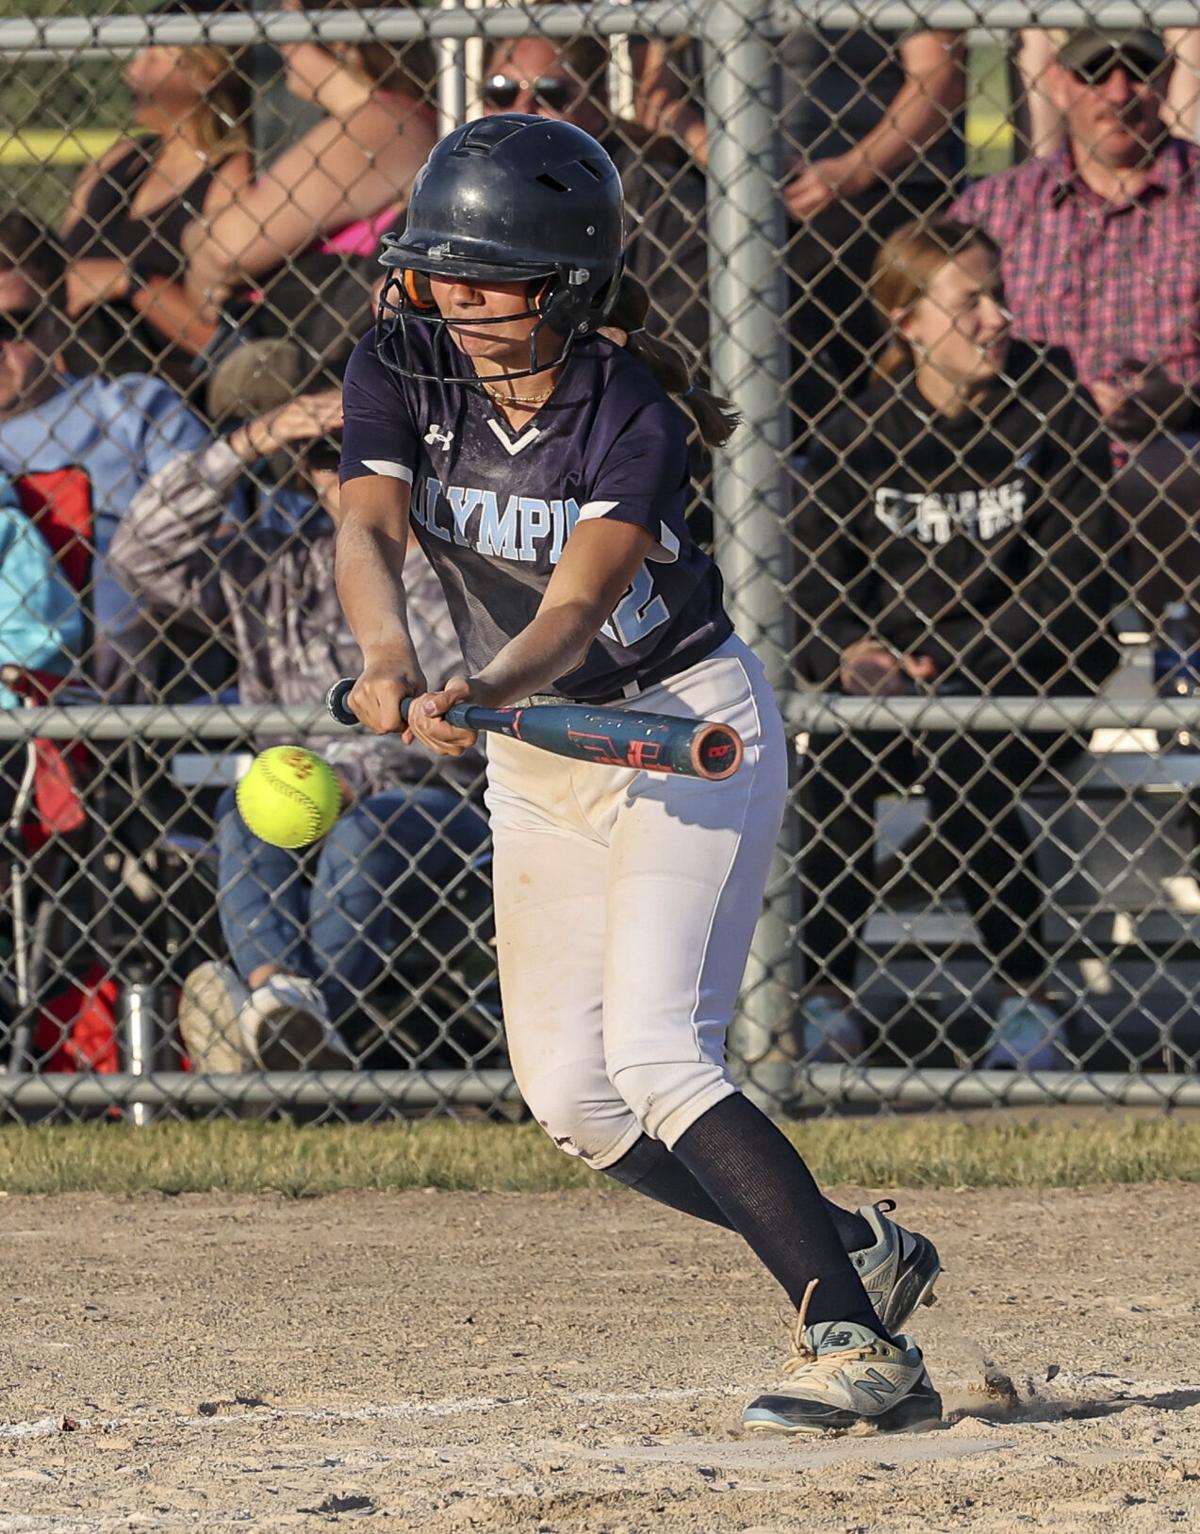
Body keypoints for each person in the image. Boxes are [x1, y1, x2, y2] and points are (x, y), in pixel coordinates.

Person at [336, 113, 943, 1436]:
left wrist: (484, 685)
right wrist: (388, 656)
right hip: (542, 755)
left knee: (662, 1050)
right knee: (575, 1099)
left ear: (572, 288)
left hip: (677, 730)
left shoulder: (633, 410)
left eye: (493, 282)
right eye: (445, 274)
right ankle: (855, 1244)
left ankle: (858, 1341)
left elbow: (575, 603)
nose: (462, 304)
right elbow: (369, 524)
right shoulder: (398, 361)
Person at [792, 219, 1117, 1070]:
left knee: (965, 754)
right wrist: (853, 655)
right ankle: (825, 993)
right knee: (833, 762)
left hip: (1028, 676)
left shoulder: (1051, 398)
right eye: (970, 301)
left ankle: (1026, 998)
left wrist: (954, 666)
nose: (999, 317)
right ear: (909, 321)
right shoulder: (860, 432)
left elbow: (1074, 584)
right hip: (889, 686)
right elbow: (814, 585)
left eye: (998, 295)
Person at [110, 389, 487, 1071]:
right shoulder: (275, 566)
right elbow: (138, 556)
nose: (343, 472)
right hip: (297, 788)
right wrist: (251, 439)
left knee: (364, 831)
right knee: (244, 807)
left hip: (440, 800)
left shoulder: (461, 565)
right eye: (323, 456)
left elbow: (476, 737)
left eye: (364, 452)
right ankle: (281, 1007)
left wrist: (358, 776)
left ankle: (278, 1030)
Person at [950, 29, 1200, 623]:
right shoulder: (997, 207)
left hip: (1171, 449)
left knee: (1171, 475)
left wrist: (1179, 396)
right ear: (1056, 83)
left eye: (1137, 72)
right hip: (1026, 448)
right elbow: (939, 338)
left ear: (1166, 82)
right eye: (1095, 74)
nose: (1118, 93)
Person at [0, 211, 210, 698]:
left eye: (13, 324)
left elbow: (216, 547)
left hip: (132, 698)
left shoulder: (134, 411)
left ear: (57, 322)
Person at [183, 0, 436, 353]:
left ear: (340, 40)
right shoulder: (368, 119)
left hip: (307, 355)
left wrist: (195, 236)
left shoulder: (380, 123)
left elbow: (229, 247)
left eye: (290, 26)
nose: (280, 44)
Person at [479, 32, 709, 363]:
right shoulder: (465, 190)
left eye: (552, 95)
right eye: (501, 91)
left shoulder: (661, 198)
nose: (523, 110)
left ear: (599, 102)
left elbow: (679, 348)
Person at [60, 34, 252, 392]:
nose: (131, 73)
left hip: (160, 394)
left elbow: (216, 342)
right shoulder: (119, 159)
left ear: (206, 72)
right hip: (63, 380)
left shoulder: (231, 175)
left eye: (151, 60)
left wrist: (130, 281)